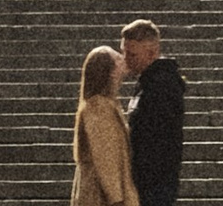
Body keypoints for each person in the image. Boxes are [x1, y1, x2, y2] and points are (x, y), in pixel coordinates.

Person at [120, 17, 187, 206]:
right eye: (124, 52)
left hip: (153, 186)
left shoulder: (161, 86)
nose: (125, 60)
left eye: (132, 54)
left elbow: (159, 142)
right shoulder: (147, 83)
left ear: (152, 53)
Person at [70, 46, 135, 206]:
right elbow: (105, 155)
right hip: (101, 197)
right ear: (110, 71)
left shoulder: (104, 104)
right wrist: (116, 198)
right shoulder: (99, 107)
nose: (124, 59)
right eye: (118, 59)